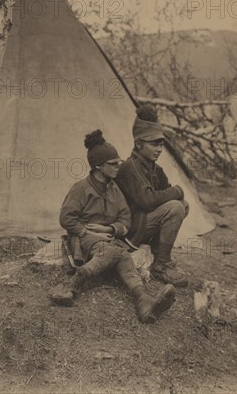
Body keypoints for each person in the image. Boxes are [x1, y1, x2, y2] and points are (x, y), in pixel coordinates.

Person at [51, 129, 176, 324]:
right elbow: (66, 218)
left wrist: (109, 230)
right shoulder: (81, 188)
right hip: (82, 240)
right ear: (99, 166)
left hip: (107, 240)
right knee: (115, 252)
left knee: (121, 254)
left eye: (118, 161)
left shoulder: (114, 189)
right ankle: (70, 284)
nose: (118, 165)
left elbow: (125, 219)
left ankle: (144, 302)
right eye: (113, 163)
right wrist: (86, 231)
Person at [114, 105, 189, 286]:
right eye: (154, 144)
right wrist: (177, 190)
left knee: (183, 205)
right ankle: (161, 265)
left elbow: (166, 196)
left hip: (144, 223)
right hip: (130, 229)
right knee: (176, 207)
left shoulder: (155, 168)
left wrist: (175, 194)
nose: (159, 149)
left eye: (161, 144)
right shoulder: (130, 167)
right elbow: (148, 201)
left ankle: (158, 254)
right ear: (139, 144)